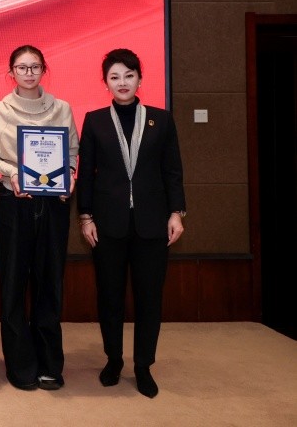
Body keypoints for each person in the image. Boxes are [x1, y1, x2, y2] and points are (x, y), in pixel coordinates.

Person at [76, 48, 185, 399]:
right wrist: (85, 216)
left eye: (129, 75)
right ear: (105, 82)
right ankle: (113, 360)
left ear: (140, 79)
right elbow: (86, 175)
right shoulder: (95, 121)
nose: (122, 82)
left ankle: (143, 365)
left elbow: (172, 170)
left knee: (149, 298)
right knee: (109, 296)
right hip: (107, 225)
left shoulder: (161, 120)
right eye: (114, 77)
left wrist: (176, 213)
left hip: (152, 224)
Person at [0, 45, 79, 391]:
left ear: (43, 70)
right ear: (11, 73)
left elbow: (71, 152)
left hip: (53, 205)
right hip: (14, 203)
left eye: (35, 66)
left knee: (49, 284)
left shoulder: (62, 109)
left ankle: (50, 363)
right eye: (22, 68)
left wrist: (69, 175)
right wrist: (13, 174)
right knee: (12, 286)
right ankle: (20, 364)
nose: (29, 73)